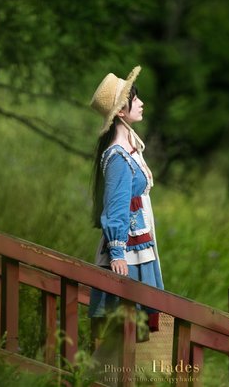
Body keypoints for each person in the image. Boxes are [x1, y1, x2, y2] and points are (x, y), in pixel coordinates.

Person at [88, 65, 164, 347]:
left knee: (133, 333)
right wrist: (118, 253)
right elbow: (116, 208)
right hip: (129, 254)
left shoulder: (129, 148)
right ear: (121, 111)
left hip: (139, 247)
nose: (141, 103)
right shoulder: (118, 157)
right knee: (121, 330)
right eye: (135, 98)